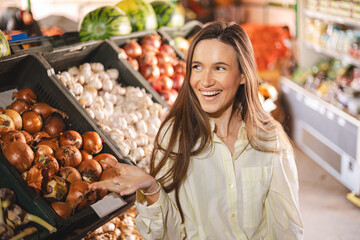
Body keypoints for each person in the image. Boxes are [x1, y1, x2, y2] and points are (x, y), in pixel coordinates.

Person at [90, 20, 304, 239]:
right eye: (197, 67)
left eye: (220, 68)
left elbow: (286, 227)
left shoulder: (268, 138)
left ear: (242, 75)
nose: (206, 81)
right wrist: (152, 188)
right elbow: (169, 234)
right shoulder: (175, 136)